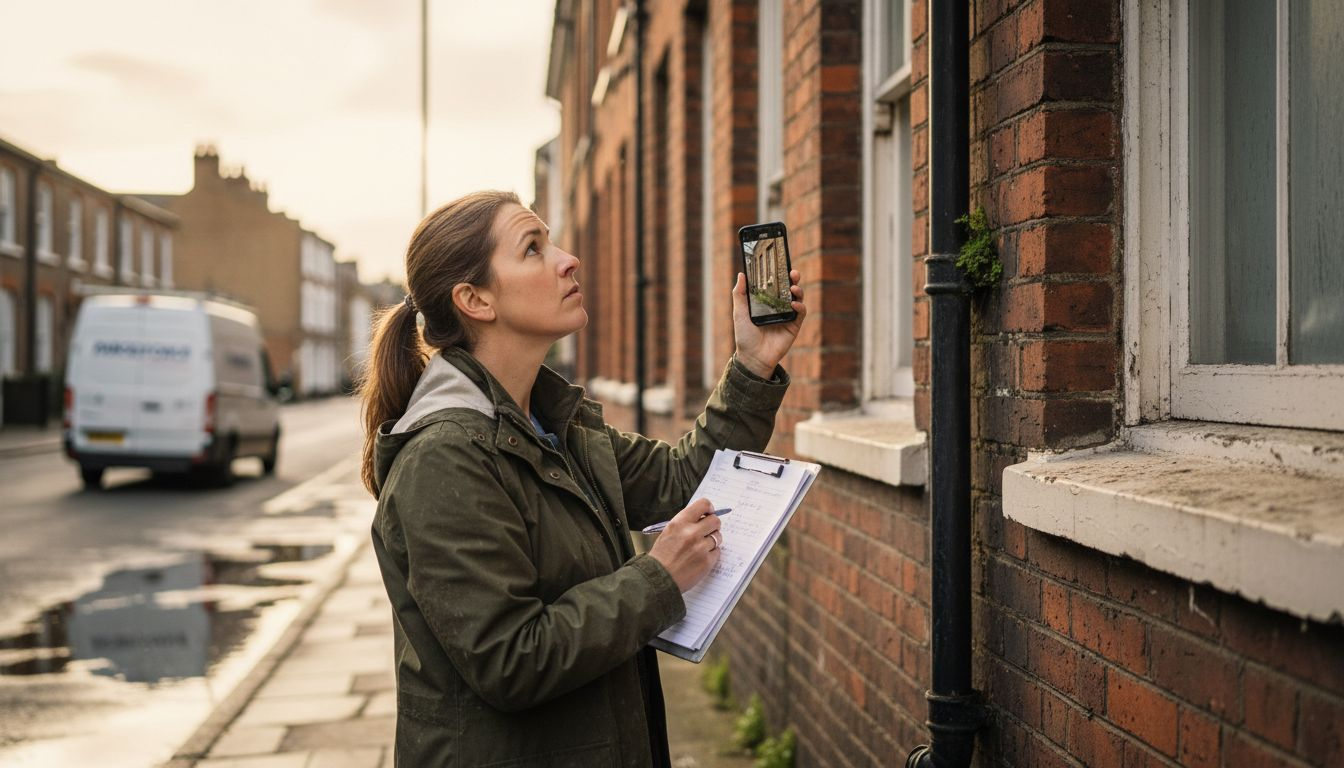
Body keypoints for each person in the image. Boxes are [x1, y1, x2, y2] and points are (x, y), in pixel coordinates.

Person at [360, 190, 806, 767]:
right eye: (533, 248)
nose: (568, 259)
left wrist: (754, 362)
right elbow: (509, 660)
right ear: (475, 299)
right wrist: (657, 577)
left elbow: (685, 481)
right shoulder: (445, 457)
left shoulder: (552, 425)